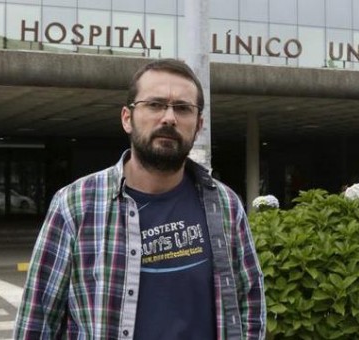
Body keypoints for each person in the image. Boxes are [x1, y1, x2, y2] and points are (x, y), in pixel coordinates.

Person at [14, 59, 266, 339]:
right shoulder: (75, 205)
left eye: (183, 108)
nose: (169, 117)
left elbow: (249, 304)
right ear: (127, 118)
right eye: (155, 104)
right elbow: (37, 320)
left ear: (198, 125)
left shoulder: (226, 205)